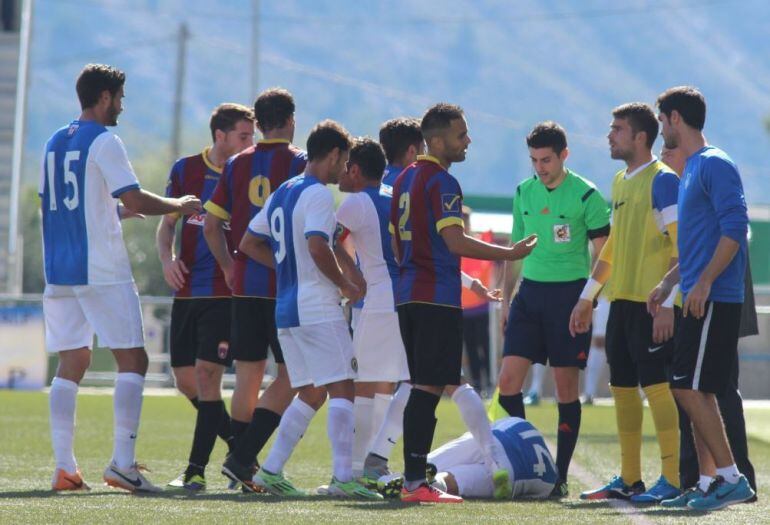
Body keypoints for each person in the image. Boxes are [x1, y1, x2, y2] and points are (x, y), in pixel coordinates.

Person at [43, 64, 201, 492]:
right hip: (100, 269)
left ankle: (64, 468)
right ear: (104, 97)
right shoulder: (104, 140)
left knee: (72, 362)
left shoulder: (54, 141)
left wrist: (113, 212)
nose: (121, 107)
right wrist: (178, 204)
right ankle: (123, 465)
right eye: (119, 98)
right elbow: (135, 197)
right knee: (134, 360)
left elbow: (66, 204)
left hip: (59, 270)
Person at [390, 103, 537, 503]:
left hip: (408, 294)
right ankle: (414, 482)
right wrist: (509, 253)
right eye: (461, 134)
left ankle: (412, 478)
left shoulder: (403, 179)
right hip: (435, 297)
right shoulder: (442, 181)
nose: (468, 141)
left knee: (424, 384)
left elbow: (397, 244)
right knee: (428, 387)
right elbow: (454, 241)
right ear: (437, 141)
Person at [240, 120, 381, 499]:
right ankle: (343, 479)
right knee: (343, 386)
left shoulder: (283, 191)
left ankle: (270, 471)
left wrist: (289, 267)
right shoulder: (317, 193)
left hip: (287, 309)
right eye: (344, 161)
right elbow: (318, 246)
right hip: (316, 307)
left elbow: (249, 243)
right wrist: (344, 284)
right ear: (333, 155)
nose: (344, 169)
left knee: (312, 392)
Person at [648, 86, 755, 510]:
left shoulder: (714, 163)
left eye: (662, 120)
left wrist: (707, 281)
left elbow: (736, 228)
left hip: (715, 297)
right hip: (695, 295)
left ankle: (731, 478)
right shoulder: (692, 168)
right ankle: (708, 482)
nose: (661, 128)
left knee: (691, 389)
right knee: (693, 390)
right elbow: (697, 245)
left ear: (675, 118)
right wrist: (668, 282)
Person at [571, 103, 681, 503]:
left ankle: (672, 478)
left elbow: (682, 247)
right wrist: (587, 297)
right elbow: (612, 247)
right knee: (621, 388)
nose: (609, 135)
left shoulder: (664, 181)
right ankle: (630, 479)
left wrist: (668, 304)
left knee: (657, 388)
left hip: (652, 305)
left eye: (617, 129)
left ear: (640, 137)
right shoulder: (619, 181)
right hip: (620, 303)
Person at [497, 121, 610, 498]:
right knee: (507, 383)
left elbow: (604, 256)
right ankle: (526, 463)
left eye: (546, 160)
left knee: (564, 389)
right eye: (534, 160)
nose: (539, 167)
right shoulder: (523, 192)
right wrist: (505, 300)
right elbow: (514, 251)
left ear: (564, 155)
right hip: (529, 296)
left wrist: (588, 299)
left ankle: (559, 477)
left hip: (569, 297)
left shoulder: (586, 195)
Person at [204, 89, 307, 490]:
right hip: (285, 286)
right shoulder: (300, 162)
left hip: (245, 285)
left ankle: (241, 466)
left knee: (248, 376)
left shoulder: (236, 163)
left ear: (259, 124)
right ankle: (243, 457)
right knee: (295, 374)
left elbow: (211, 225)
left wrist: (229, 267)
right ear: (291, 120)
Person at [156, 103, 255, 490]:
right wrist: (167, 259)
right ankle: (242, 453)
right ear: (220, 136)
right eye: (243, 136)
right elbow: (167, 226)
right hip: (185, 291)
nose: (249, 143)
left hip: (223, 292)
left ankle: (195, 471)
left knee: (207, 376)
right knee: (185, 381)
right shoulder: (185, 170)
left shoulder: (247, 173)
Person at [335, 138, 411, 481]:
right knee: (392, 381)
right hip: (403, 296)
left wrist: (351, 279)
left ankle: (356, 471)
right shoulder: (394, 195)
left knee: (363, 383)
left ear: (355, 169)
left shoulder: (356, 202)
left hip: (379, 297)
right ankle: (374, 462)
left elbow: (326, 239)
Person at [427, 417, 558, 500]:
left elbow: (482, 429)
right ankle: (435, 482)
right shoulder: (549, 482)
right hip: (510, 472)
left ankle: (417, 478)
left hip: (494, 441)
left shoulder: (515, 422)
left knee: (425, 465)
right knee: (449, 481)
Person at [460, 205, 495, 393]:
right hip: (463, 309)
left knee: (485, 347)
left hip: (481, 307)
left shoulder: (477, 243)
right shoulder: (456, 245)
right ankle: (478, 384)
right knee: (471, 349)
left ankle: (488, 382)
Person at [582, 297, 610, 405]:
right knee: (599, 342)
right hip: (606, 297)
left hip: (630, 299)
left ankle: (638, 392)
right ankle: (589, 393)